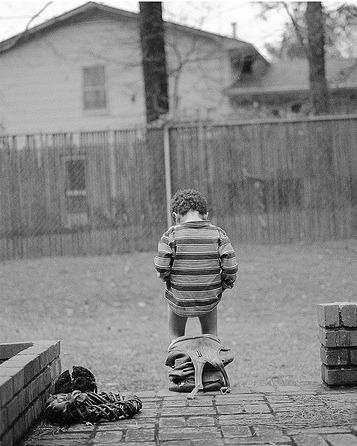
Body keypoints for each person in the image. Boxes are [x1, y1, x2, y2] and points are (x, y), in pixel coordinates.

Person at [154, 189, 238, 340]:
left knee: (176, 334)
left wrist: (166, 278)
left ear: (175, 216)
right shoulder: (219, 234)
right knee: (210, 332)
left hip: (180, 299)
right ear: (206, 214)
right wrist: (224, 285)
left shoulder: (171, 235)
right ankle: (211, 358)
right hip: (209, 298)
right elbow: (230, 267)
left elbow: (161, 267)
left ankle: (179, 357)